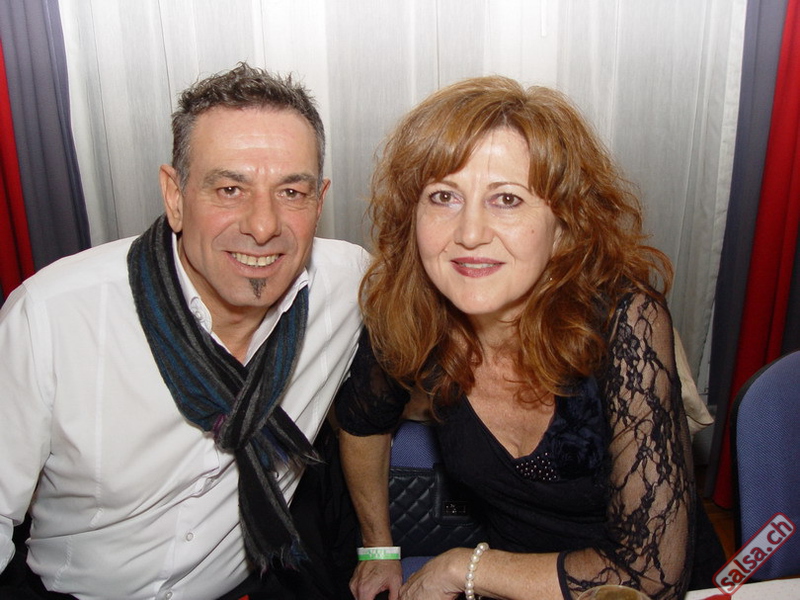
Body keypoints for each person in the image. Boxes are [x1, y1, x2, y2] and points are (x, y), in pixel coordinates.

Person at [335, 76, 723, 600]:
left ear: (564, 226)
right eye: (444, 197)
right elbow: (362, 423)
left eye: (507, 199)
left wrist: (463, 569)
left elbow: (653, 576)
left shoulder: (624, 321)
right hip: (513, 586)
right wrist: (377, 548)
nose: (470, 233)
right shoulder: (410, 312)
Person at [0, 63, 367, 600]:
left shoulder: (349, 283)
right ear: (174, 195)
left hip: (257, 583)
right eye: (229, 188)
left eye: (292, 192)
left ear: (320, 201)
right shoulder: (53, 317)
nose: (263, 225)